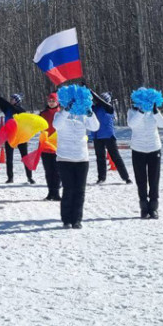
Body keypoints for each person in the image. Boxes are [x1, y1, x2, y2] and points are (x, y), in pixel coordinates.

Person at [54, 89, 100, 229]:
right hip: (64, 158)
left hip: (81, 158)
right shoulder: (59, 115)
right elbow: (56, 125)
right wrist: (66, 110)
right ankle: (66, 219)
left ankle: (77, 219)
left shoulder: (83, 116)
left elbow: (95, 127)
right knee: (68, 189)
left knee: (80, 190)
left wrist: (89, 113)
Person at [128, 94, 163, 219]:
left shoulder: (154, 112)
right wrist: (141, 111)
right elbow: (132, 124)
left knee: (154, 179)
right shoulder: (132, 111)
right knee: (141, 180)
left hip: (154, 148)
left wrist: (155, 112)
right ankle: (144, 208)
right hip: (138, 149)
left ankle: (154, 207)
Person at [88, 89, 132, 185]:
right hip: (96, 136)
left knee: (115, 157)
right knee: (100, 158)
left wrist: (91, 91)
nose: (100, 101)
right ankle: (101, 178)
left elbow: (99, 100)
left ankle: (126, 177)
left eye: (103, 99)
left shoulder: (109, 108)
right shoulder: (94, 108)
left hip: (109, 136)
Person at [0, 89, 35, 184]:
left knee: (25, 157)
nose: (11, 100)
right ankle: (10, 178)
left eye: (13, 99)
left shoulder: (21, 110)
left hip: (20, 136)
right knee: (9, 158)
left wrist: (0, 98)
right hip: (10, 136)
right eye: (10, 98)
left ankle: (29, 177)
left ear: (17, 101)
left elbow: (10, 106)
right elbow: (2, 104)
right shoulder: (8, 109)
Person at [38, 93, 61, 201]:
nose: (51, 103)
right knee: (48, 171)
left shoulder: (61, 113)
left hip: (58, 146)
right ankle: (50, 192)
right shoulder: (42, 113)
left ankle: (56, 193)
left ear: (57, 102)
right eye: (49, 101)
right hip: (45, 146)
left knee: (57, 171)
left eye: (53, 101)